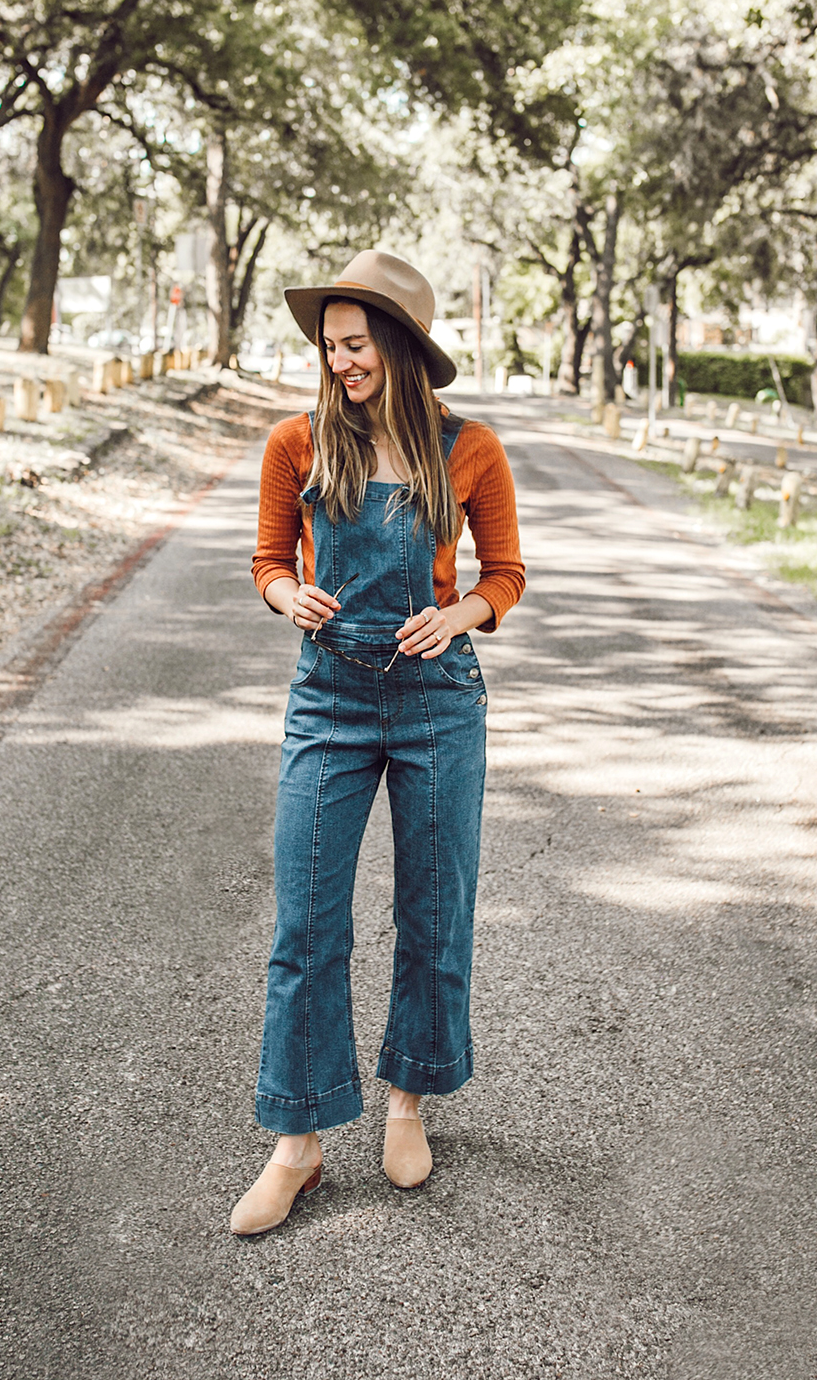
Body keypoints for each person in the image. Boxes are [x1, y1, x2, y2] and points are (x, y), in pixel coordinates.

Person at [231, 250, 525, 1236]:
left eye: (355, 343)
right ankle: (297, 1144)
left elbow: (508, 574)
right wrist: (288, 596)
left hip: (440, 700)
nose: (339, 359)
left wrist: (463, 614)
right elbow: (270, 560)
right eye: (329, 343)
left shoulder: (470, 446)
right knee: (305, 923)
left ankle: (409, 1098)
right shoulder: (298, 442)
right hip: (328, 701)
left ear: (398, 346)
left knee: (433, 911)